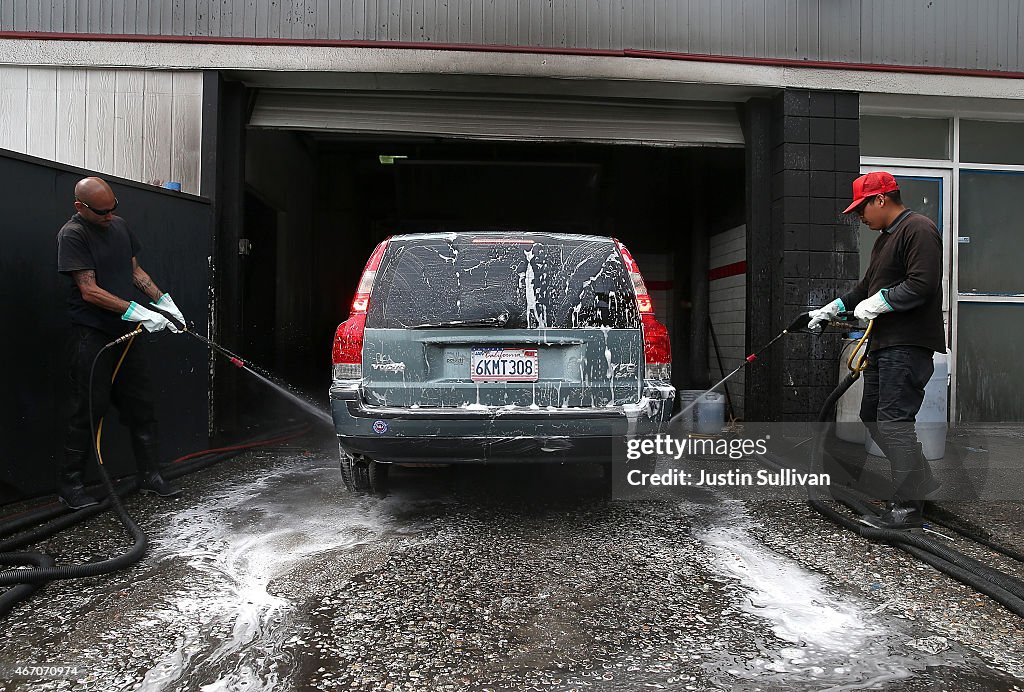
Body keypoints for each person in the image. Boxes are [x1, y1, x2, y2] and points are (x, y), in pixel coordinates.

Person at [808, 171, 945, 529]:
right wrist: (832, 309)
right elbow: (866, 289)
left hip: (909, 344)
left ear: (881, 199)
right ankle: (921, 482)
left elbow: (922, 284)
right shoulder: (887, 239)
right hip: (884, 344)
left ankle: (908, 507)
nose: (859, 217)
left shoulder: (919, 229)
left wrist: (881, 302)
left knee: (894, 422)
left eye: (861, 209)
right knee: (873, 415)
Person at [56, 177, 186, 509]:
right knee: (88, 409)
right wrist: (135, 310)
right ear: (80, 208)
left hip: (127, 335)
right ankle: (70, 486)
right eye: (102, 213)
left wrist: (165, 303)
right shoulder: (73, 235)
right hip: (92, 335)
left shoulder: (120, 226)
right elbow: (89, 289)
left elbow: (135, 272)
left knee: (141, 405)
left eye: (113, 208)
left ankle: (151, 476)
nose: (109, 217)